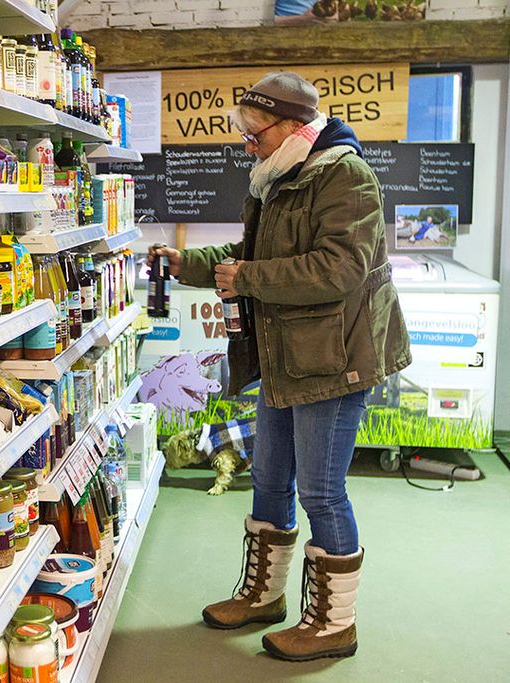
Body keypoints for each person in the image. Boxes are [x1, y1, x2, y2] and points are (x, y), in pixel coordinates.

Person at [149, 72, 410, 662]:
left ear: (294, 126)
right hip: (287, 354)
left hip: (335, 358)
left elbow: (338, 270)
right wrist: (184, 261)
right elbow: (252, 256)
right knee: (269, 478)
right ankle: (263, 597)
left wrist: (249, 279)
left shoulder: (345, 174)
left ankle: (333, 624)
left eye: (253, 133)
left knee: (321, 491)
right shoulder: (277, 176)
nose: (247, 145)